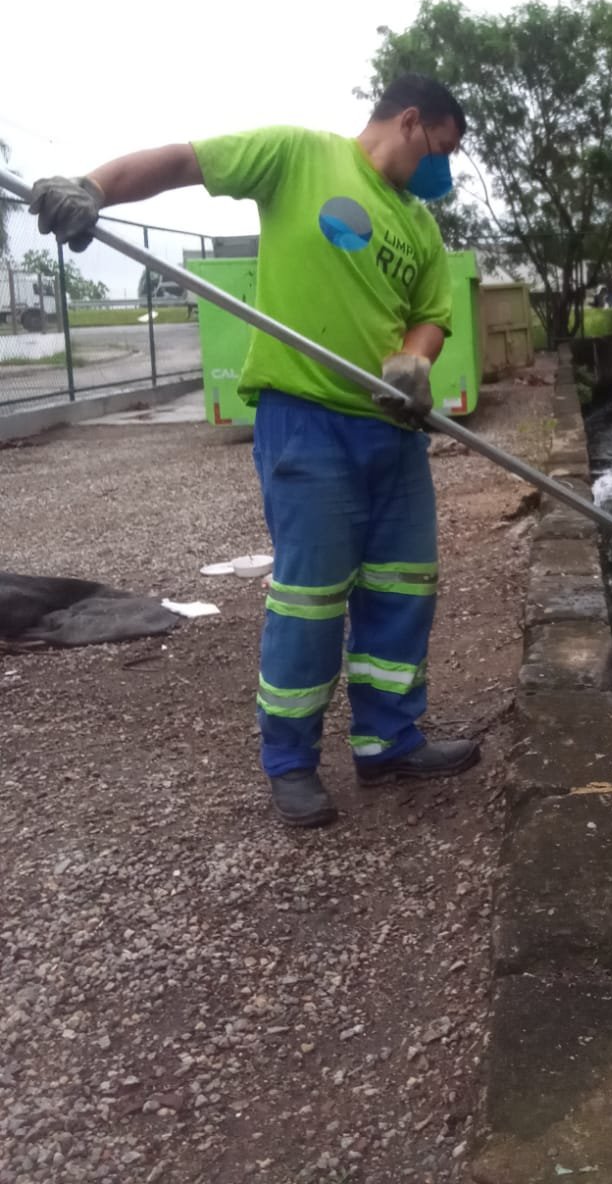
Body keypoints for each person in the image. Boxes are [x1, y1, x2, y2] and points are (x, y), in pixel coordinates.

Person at [29, 73, 479, 828]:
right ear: (411, 121)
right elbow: (183, 161)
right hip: (306, 421)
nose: (444, 170)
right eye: (444, 148)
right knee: (309, 600)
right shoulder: (298, 156)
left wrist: (415, 360)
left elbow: (431, 314)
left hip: (392, 430)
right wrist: (94, 187)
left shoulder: (421, 226)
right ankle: (291, 763)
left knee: (403, 590)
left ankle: (388, 742)